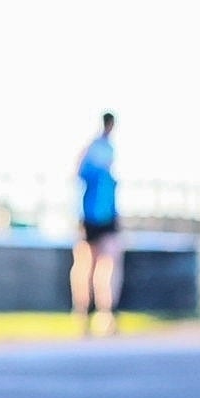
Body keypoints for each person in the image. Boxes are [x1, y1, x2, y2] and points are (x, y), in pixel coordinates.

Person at [74, 113, 122, 336]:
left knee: (109, 264)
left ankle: (107, 315)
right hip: (90, 216)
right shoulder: (93, 150)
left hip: (107, 217)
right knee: (88, 266)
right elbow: (81, 177)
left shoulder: (108, 149)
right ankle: (83, 315)